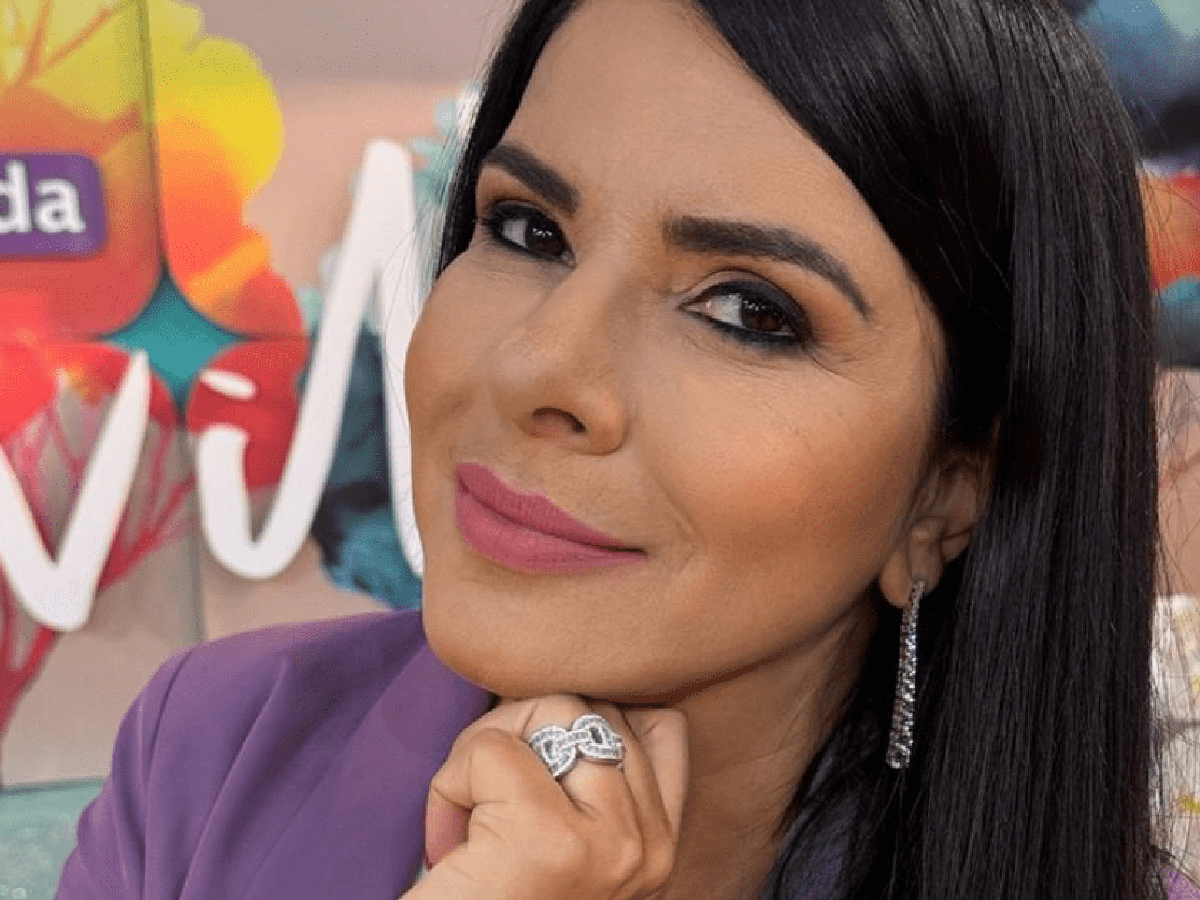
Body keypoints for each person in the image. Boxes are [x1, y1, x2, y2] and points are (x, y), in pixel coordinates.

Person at [55, 0, 1186, 898]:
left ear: (948, 493)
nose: (539, 369)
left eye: (747, 312)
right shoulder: (217, 749)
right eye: (528, 230)